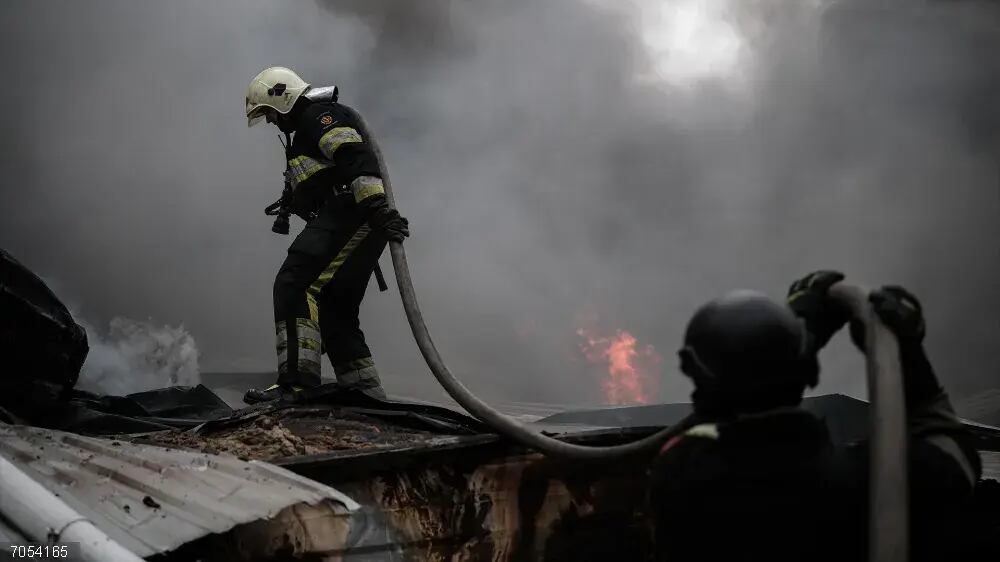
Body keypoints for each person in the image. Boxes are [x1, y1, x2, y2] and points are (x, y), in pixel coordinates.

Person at [647, 271, 981, 562]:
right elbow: (954, 452)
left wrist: (805, 328)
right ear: (810, 373)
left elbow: (717, 413)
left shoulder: (682, 474)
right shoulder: (871, 481)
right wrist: (909, 355)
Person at [242, 67, 409, 403]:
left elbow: (354, 158)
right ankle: (366, 395)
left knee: (295, 283)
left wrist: (376, 208)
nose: (272, 122)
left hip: (353, 212)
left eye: (271, 113)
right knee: (333, 309)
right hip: (356, 216)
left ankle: (296, 385)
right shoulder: (305, 128)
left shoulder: (319, 116)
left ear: (283, 97)